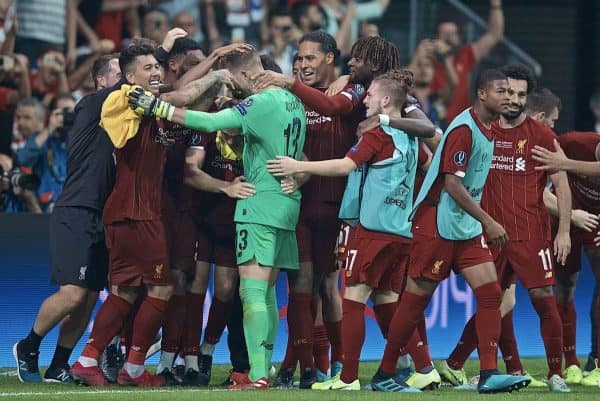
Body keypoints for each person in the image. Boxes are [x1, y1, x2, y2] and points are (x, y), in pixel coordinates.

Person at [126, 47, 307, 390]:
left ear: (244, 76)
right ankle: (260, 369)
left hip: (259, 205)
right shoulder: (292, 102)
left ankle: (257, 376)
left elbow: (208, 122)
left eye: (236, 84)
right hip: (286, 205)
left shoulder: (260, 102)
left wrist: (157, 107)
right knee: (267, 295)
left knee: (251, 294)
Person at [266, 69, 430, 392]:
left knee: (353, 298)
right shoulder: (410, 137)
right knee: (385, 301)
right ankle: (416, 368)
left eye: (369, 95)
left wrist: (298, 166)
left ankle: (348, 378)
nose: (364, 100)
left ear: (385, 100)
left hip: (370, 230)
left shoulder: (377, 134)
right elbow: (429, 164)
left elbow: (344, 166)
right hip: (400, 231)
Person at [374, 69, 531, 394]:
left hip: (465, 227)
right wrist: (489, 221)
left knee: (491, 294)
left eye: (511, 92)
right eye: (500, 91)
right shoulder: (464, 129)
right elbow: (453, 184)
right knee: (415, 302)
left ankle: (488, 374)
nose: (507, 97)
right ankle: (383, 374)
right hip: (437, 225)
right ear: (482, 94)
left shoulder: (488, 128)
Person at [69, 41, 202, 388]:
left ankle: (90, 360)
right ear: (128, 77)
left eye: (157, 67)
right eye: (148, 68)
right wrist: (216, 69)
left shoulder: (147, 110)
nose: (156, 72)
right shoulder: (124, 98)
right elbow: (180, 98)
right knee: (160, 290)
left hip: (133, 213)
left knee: (126, 292)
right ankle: (131, 366)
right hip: (137, 214)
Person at [438, 65, 572, 392]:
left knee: (543, 298)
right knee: (492, 302)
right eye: (508, 92)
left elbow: (562, 185)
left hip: (531, 233)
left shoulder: (542, 136)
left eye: (520, 95)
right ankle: (481, 371)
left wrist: (564, 230)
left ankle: (556, 374)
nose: (513, 99)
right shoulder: (481, 130)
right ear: (497, 92)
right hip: (489, 234)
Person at [12, 54, 122, 384]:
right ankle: (28, 345)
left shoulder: (123, 115)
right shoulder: (89, 105)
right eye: (120, 72)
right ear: (101, 80)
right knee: (73, 293)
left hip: (103, 215)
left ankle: (59, 363)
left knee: (88, 298)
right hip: (76, 210)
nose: (126, 77)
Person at [532, 118, 600, 387]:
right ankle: (569, 362)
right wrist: (567, 218)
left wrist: (565, 164)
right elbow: (546, 176)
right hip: (567, 218)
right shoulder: (573, 143)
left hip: (596, 220)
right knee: (565, 286)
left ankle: (596, 361)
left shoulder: (569, 155)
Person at [432, 0, 504, 124]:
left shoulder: (465, 55)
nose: (449, 38)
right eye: (444, 34)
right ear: (436, 38)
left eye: (452, 34)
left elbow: (494, 35)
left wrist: (495, 5)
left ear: (459, 37)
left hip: (463, 125)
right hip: (436, 125)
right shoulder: (428, 62)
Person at [17, 93, 76, 212]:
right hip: (47, 208)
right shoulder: (42, 139)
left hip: (74, 208)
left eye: (71, 112)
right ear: (52, 114)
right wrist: (50, 128)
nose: (67, 116)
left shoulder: (82, 140)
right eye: (63, 112)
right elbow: (23, 159)